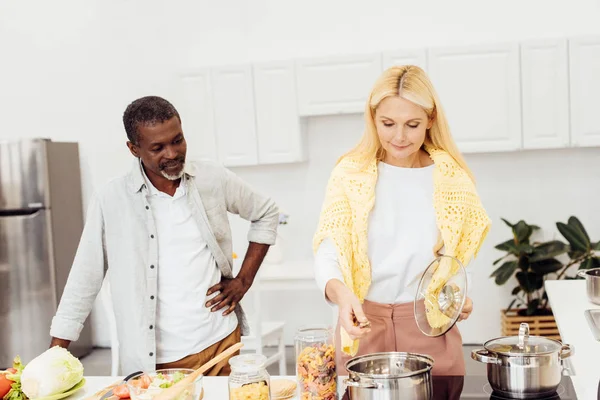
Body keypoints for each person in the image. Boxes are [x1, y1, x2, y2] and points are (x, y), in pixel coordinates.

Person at [49, 96, 279, 375]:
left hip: (222, 345)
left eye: (177, 140)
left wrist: (244, 280)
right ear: (134, 149)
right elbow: (84, 279)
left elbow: (266, 212)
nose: (171, 154)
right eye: (157, 147)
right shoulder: (112, 199)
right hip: (156, 362)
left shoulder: (211, 178)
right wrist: (54, 360)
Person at [313, 65, 491, 375]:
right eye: (387, 123)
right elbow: (329, 252)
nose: (399, 136)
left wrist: (459, 297)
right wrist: (342, 298)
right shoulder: (348, 174)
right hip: (363, 328)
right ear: (373, 119)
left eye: (411, 124)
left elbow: (463, 261)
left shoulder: (454, 181)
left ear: (430, 120)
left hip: (431, 329)